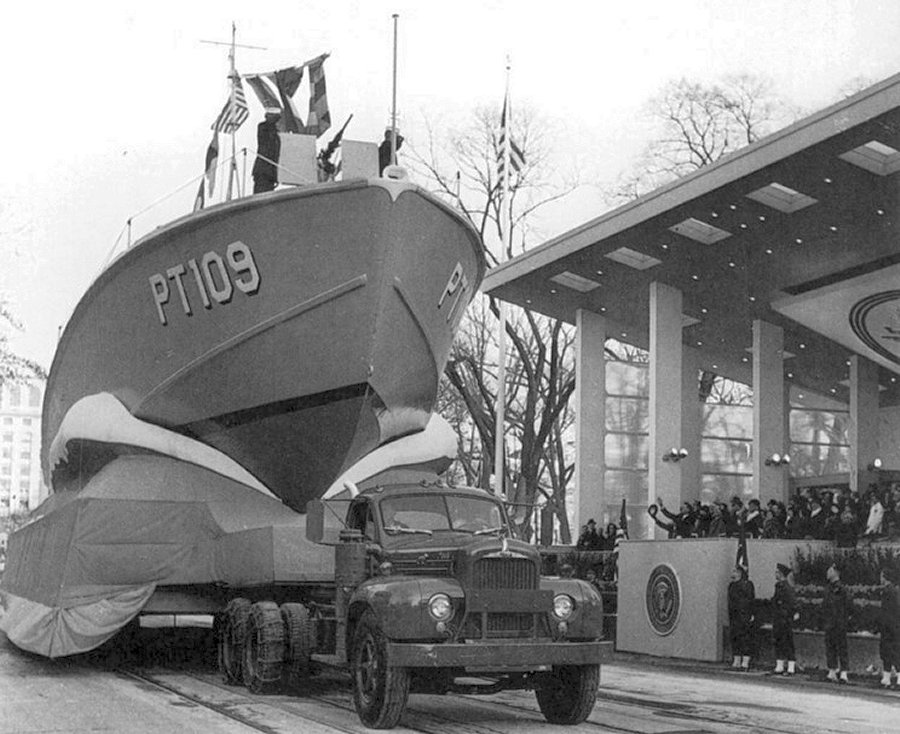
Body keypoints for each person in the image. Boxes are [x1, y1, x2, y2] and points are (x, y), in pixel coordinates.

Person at [822, 563, 852, 683]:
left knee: (841, 647)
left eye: (830, 570)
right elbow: (824, 606)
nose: (827, 572)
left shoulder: (843, 590)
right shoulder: (828, 589)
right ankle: (832, 670)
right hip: (830, 623)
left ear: (835, 572)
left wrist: (844, 619)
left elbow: (849, 606)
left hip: (839, 623)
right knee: (830, 647)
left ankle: (844, 672)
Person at [727, 565, 756, 670]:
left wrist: (750, 614)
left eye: (735, 571)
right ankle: (736, 660)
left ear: (740, 573)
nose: (733, 572)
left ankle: (745, 662)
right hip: (734, 616)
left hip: (744, 616)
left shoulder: (747, 585)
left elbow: (750, 600)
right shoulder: (731, 585)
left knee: (745, 638)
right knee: (735, 638)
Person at [771, 563, 798, 675]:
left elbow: (792, 603)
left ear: (781, 574)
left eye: (777, 572)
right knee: (778, 641)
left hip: (785, 619)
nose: (775, 573)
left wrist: (789, 615)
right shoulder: (779, 586)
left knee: (787, 642)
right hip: (778, 618)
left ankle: (791, 667)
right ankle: (780, 665)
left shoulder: (787, 587)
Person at [878, 566, 900, 688]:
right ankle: (886, 678)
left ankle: (894, 678)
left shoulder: (889, 591)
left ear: (885, 578)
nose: (880, 578)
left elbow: (891, 610)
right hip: (892, 626)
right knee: (889, 652)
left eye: (881, 576)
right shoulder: (893, 591)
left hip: (890, 627)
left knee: (892, 652)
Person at [252, 108, 282, 194]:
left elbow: (276, 156)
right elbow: (265, 143)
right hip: (262, 170)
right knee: (260, 195)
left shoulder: (276, 134)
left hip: (271, 173)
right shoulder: (263, 127)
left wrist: (275, 176)